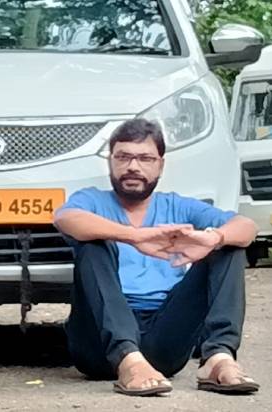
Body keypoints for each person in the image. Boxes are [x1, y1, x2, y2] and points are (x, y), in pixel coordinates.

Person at [53, 118, 260, 396]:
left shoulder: (178, 206)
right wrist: (134, 236)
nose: (133, 166)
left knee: (229, 244)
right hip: (99, 344)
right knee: (93, 243)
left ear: (160, 165)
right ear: (110, 162)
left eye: (145, 158)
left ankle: (218, 358)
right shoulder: (91, 201)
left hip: (163, 341)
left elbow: (247, 227)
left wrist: (214, 238)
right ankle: (129, 362)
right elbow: (66, 219)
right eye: (123, 157)